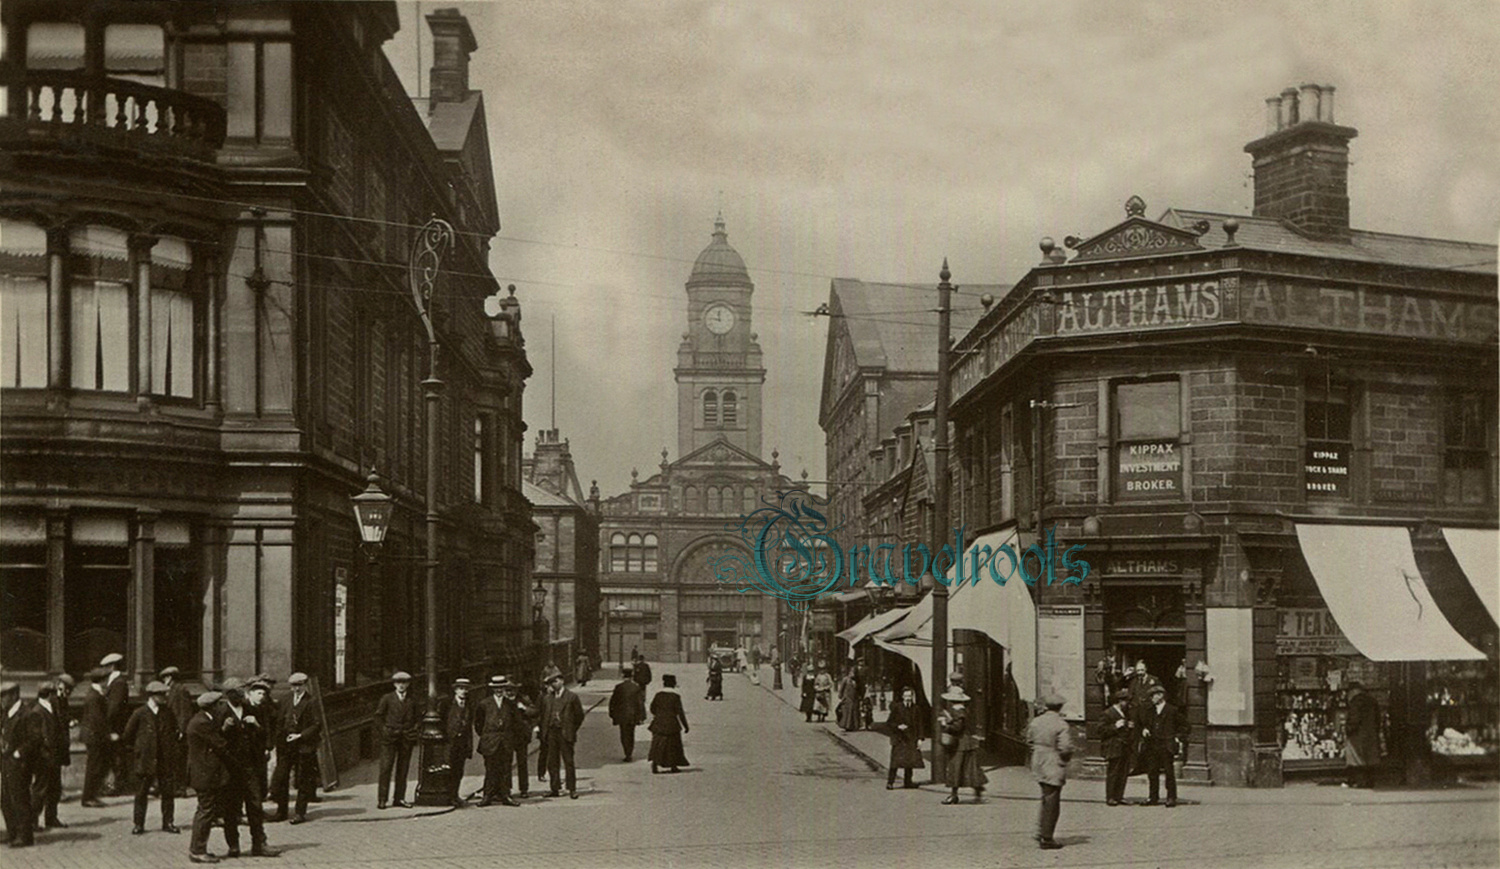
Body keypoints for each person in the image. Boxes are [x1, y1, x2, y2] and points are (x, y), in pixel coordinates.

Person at [217, 679, 275, 858]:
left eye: (243, 691)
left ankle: (259, 844)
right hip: (230, 769)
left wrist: (256, 726)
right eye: (238, 691)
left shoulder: (252, 710)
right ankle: (233, 845)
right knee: (231, 809)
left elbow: (264, 734)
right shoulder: (220, 712)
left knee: (255, 806)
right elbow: (214, 739)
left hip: (250, 767)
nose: (242, 695)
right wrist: (223, 728)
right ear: (229, 694)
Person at [122, 680, 180, 836]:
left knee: (168, 792)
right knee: (141, 793)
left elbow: (174, 731)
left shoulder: (167, 712)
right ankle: (139, 824)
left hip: (164, 759)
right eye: (160, 694)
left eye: (164, 694)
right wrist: (139, 751)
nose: (164, 697)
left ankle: (168, 822)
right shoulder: (139, 713)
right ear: (152, 696)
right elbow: (127, 735)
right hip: (146, 759)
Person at [185, 690, 231, 863]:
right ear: (213, 707)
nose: (223, 707)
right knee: (205, 811)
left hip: (204, 774)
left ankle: (198, 848)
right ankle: (197, 850)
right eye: (220, 704)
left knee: (205, 810)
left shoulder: (204, 720)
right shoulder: (202, 723)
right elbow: (220, 744)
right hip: (205, 775)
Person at [269, 672, 320, 824]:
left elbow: (317, 725)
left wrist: (300, 736)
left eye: (298, 686)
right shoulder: (285, 699)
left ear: (305, 685)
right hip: (286, 746)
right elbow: (279, 720)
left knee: (303, 779)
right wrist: (278, 740)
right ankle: (281, 811)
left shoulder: (311, 701)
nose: (295, 689)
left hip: (304, 745)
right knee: (281, 778)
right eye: (293, 686)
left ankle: (300, 813)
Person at [1026, 693, 1074, 849]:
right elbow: (1065, 748)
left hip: (1038, 760)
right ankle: (1047, 838)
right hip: (1053, 761)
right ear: (1060, 707)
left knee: (1045, 797)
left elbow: (1028, 740)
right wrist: (1065, 759)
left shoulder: (1036, 721)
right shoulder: (1061, 724)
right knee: (1052, 800)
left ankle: (1040, 831)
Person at [29, 674, 72, 832]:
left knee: (54, 789)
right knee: (40, 789)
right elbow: (40, 737)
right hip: (44, 758)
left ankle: (51, 818)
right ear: (48, 694)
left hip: (53, 757)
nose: (56, 696)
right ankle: (33, 821)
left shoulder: (50, 708)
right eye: (54, 693)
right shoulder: (37, 711)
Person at [374, 671, 420, 809]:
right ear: (394, 684)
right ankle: (382, 799)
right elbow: (378, 717)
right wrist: (384, 731)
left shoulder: (412, 700)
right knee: (386, 768)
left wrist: (414, 730)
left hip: (406, 738)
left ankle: (399, 798)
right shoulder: (387, 698)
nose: (401, 685)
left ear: (408, 684)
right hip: (390, 738)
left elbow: (418, 718)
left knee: (403, 769)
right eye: (398, 683)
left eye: (404, 683)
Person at [473, 676, 522, 807]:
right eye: (496, 688)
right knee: (490, 769)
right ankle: (487, 796)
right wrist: (487, 736)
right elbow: (478, 723)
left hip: (506, 741)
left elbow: (517, 722)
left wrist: (510, 737)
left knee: (506, 768)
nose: (499, 690)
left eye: (501, 688)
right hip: (490, 742)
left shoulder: (510, 704)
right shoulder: (484, 704)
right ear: (492, 689)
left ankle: (506, 795)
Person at [1136, 683, 1186, 807]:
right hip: (1152, 745)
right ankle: (1153, 797)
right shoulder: (1150, 710)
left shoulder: (1172, 710)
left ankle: (1171, 797)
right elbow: (1144, 724)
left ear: (1160, 695)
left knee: (1169, 772)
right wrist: (1144, 729)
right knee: (1152, 772)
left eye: (1153, 696)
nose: (1151, 698)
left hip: (1166, 745)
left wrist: (1177, 737)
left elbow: (1185, 727)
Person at [538, 668, 584, 799]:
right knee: (552, 762)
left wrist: (571, 729)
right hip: (551, 733)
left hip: (565, 733)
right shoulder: (548, 698)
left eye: (556, 681)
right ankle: (555, 788)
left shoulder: (572, 697)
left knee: (568, 761)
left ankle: (572, 789)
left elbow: (579, 716)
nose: (554, 684)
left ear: (562, 681)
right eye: (552, 682)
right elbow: (543, 715)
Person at [2, 681, 38, 849]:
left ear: (15, 695)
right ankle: (12, 833)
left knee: (20, 798)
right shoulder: (6, 713)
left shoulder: (27, 714)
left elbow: (34, 739)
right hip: (6, 761)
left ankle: (25, 836)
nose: (2, 699)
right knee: (6, 799)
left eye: (4, 695)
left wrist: (18, 753)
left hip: (20, 763)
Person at [939, 686, 987, 805]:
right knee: (969, 768)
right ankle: (977, 789)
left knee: (956, 768)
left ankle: (953, 795)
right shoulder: (963, 710)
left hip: (960, 743)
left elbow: (958, 728)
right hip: (967, 743)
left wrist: (945, 725)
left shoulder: (958, 711)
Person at [438, 677, 475, 807]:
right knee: (449, 769)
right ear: (455, 690)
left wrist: (469, 744)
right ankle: (448, 796)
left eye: (466, 689)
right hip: (449, 742)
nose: (463, 691)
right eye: (461, 688)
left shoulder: (469, 703)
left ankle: (455, 795)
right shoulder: (446, 703)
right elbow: (440, 722)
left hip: (462, 742)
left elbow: (470, 725)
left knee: (459, 771)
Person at [79, 667, 112, 807]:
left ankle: (91, 795)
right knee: (94, 767)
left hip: (93, 736)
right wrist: (108, 735)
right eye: (106, 679)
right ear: (102, 680)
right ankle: (88, 797)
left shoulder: (95, 694)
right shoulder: (94, 696)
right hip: (94, 737)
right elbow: (97, 719)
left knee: (96, 765)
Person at [160, 667, 194, 796]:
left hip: (178, 730)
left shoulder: (180, 690)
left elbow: (185, 711)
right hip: (170, 729)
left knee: (179, 759)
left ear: (170, 677)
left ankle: (180, 788)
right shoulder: (169, 691)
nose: (165, 680)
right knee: (172, 759)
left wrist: (182, 729)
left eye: (166, 678)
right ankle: (174, 787)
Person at [101, 653, 130, 796]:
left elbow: (114, 707)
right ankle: (115, 785)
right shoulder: (115, 681)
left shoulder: (118, 682)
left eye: (106, 666)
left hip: (115, 727)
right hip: (114, 727)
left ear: (112, 666)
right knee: (114, 756)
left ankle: (118, 786)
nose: (104, 669)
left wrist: (109, 726)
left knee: (117, 757)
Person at [647, 674, 689, 774]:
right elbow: (680, 712)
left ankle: (655, 763)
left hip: (659, 723)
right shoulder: (675, 696)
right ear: (673, 684)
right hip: (671, 724)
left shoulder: (658, 695)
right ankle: (673, 766)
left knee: (657, 744)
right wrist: (685, 726)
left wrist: (659, 715)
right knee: (673, 745)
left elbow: (652, 708)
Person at [1097, 689, 1132, 806]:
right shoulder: (1108, 713)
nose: (1128, 704)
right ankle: (1110, 797)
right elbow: (1100, 730)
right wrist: (1115, 726)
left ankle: (1119, 796)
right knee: (1113, 772)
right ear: (1120, 701)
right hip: (1113, 747)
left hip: (1124, 747)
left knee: (1123, 772)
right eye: (1126, 701)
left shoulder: (1125, 713)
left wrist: (1128, 725)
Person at [503, 677, 536, 798]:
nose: (509, 692)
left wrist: (524, 708)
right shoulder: (502, 701)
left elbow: (534, 711)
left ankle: (524, 789)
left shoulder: (523, 699)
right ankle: (507, 789)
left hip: (521, 736)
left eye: (511, 690)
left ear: (516, 690)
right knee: (507, 763)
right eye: (507, 690)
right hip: (507, 736)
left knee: (522, 763)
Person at [885, 686, 924, 789]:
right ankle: (890, 782)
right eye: (906, 696)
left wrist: (920, 738)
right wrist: (898, 726)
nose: (908, 698)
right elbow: (889, 722)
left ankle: (908, 782)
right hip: (899, 738)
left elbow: (920, 724)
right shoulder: (897, 708)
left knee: (909, 761)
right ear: (902, 697)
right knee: (895, 762)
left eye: (910, 696)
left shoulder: (916, 708)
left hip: (911, 738)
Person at [1344, 681, 1381, 788]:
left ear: (1352, 692)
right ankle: (1370, 782)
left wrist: (1348, 730)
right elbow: (1378, 719)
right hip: (1371, 734)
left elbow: (1354, 720)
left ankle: (1360, 782)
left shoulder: (1355, 702)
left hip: (1358, 736)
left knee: (1357, 760)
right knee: (1370, 760)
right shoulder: (1372, 700)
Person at [609, 665, 646, 761]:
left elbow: (613, 702)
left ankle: (627, 752)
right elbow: (640, 703)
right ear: (632, 676)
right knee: (631, 734)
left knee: (623, 734)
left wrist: (612, 714)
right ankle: (629, 752)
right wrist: (642, 716)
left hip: (622, 715)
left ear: (623, 676)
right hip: (632, 715)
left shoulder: (619, 687)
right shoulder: (636, 688)